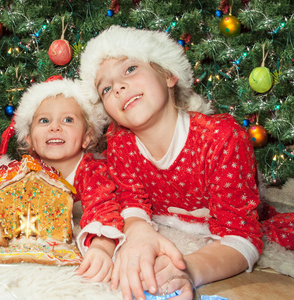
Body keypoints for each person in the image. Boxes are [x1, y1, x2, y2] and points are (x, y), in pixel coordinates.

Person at [79, 26, 264, 300]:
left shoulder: (222, 138)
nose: (117, 87)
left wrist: (187, 268)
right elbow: (131, 201)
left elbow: (241, 236)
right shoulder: (119, 141)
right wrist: (139, 233)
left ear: (168, 74)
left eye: (130, 69)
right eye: (105, 88)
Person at [0, 77, 125, 282]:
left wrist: (101, 246)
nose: (55, 127)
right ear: (30, 139)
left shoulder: (93, 173)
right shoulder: (26, 172)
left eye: (68, 120)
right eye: (44, 120)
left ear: (86, 137)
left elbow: (104, 209)